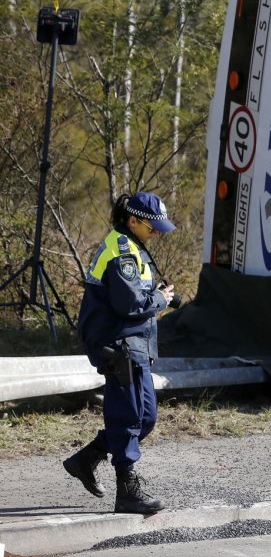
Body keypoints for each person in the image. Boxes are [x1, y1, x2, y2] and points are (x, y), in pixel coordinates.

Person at [63, 192, 176, 514]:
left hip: (133, 343)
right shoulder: (121, 251)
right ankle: (127, 492)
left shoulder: (134, 248)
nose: (158, 233)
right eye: (153, 227)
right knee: (128, 417)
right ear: (133, 220)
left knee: (145, 418)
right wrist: (161, 300)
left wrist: (157, 297)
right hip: (120, 344)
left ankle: (85, 459)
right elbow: (129, 304)